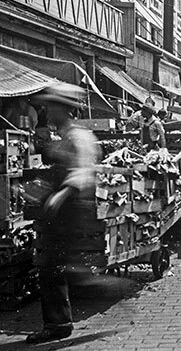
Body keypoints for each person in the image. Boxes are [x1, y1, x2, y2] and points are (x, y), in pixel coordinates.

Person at [26, 84, 101, 344]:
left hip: (71, 207)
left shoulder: (78, 137)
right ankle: (60, 322)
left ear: (64, 109)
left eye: (52, 106)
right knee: (54, 267)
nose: (47, 111)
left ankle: (59, 324)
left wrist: (61, 194)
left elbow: (81, 171)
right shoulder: (65, 136)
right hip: (61, 207)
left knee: (53, 266)